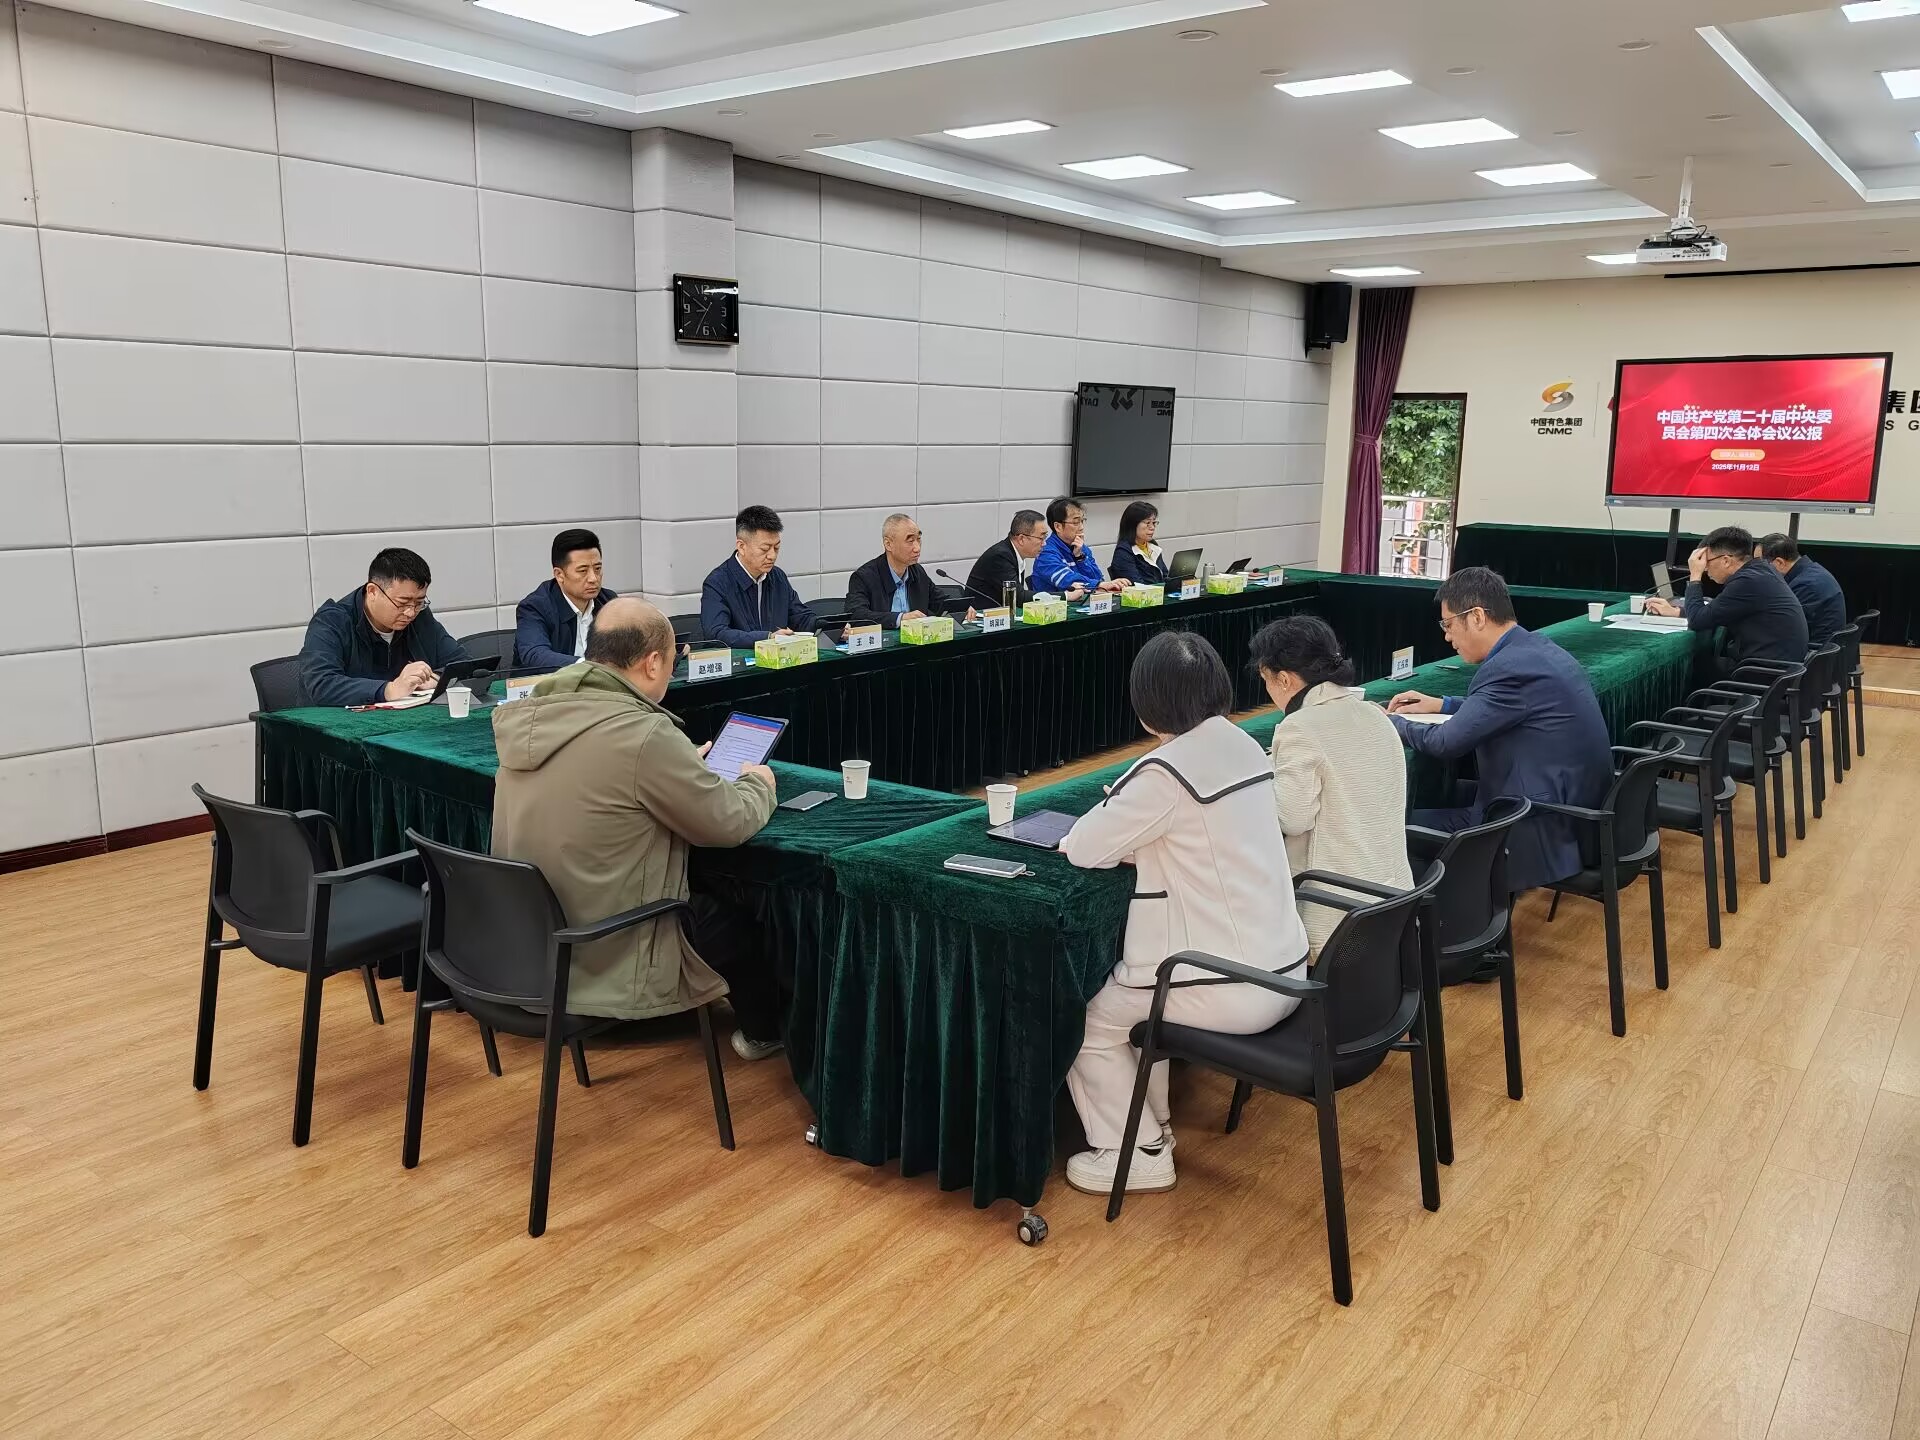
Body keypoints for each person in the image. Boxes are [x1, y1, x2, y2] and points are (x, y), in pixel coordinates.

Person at [1059, 631, 1311, 1197]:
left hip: (1232, 986)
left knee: (1090, 1020)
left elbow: (1084, 847)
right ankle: (1155, 1127)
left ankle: (1138, 1152)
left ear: (1147, 706)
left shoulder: (1166, 773)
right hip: (1287, 968)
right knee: (1134, 999)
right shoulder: (1243, 744)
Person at [490, 597, 786, 1061]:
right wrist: (758, 784)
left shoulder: (536, 714)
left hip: (531, 944)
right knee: (741, 919)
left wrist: (679, 765)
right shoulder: (644, 734)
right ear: (651, 663)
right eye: (670, 662)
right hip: (608, 950)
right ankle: (765, 1033)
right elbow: (728, 821)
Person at [1386, 567, 1614, 896]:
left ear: (1477, 616)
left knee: (1393, 828)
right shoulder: (1535, 648)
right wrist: (1443, 704)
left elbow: (1445, 742)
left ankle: (1448, 923)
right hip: (1576, 817)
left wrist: (1387, 722)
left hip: (1537, 829)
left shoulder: (1507, 667)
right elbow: (1505, 707)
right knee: (1446, 794)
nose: (1447, 637)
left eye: (1448, 625)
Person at [1252, 616, 1412, 954]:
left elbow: (1291, 819)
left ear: (1283, 679)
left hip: (1338, 913)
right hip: (1394, 901)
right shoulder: (1375, 715)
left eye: (1266, 680)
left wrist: (1263, 774)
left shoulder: (1300, 727)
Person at [297, 547, 468, 707]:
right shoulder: (331, 621)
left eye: (419, 602)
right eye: (402, 603)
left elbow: (462, 662)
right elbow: (321, 684)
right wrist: (389, 690)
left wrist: (437, 678)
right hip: (334, 723)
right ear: (372, 591)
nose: (410, 612)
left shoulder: (419, 615)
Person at [1646, 525, 1808, 675]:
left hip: (1763, 673)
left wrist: (1695, 576)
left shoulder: (1747, 582)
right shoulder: (1761, 571)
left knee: (1691, 667)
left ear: (1725, 560)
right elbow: (1716, 611)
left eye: (1706, 562)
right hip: (1781, 668)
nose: (1705, 569)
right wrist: (1677, 612)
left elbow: (1697, 621)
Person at [700, 506, 819, 648]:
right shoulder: (717, 582)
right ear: (741, 546)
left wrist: (832, 624)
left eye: (776, 548)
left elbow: (801, 618)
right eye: (765, 549)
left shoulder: (777, 576)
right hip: (740, 661)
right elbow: (716, 634)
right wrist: (767, 638)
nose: (772, 556)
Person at [844, 513, 974, 629]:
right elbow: (856, 615)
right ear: (888, 544)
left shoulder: (917, 572)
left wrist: (960, 607)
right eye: (910, 541)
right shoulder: (864, 577)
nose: (917, 548)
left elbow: (938, 602)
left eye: (919, 539)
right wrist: (900, 619)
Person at [513, 527, 617, 671]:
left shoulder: (609, 602)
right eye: (583, 571)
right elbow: (535, 655)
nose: (593, 578)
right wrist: (589, 667)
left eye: (597, 569)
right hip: (549, 684)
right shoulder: (535, 607)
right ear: (559, 575)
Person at [965, 509, 1084, 608]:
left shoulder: (1014, 553)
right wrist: (1066, 596)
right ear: (1022, 539)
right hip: (979, 621)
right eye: (1041, 538)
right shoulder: (1000, 556)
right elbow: (1019, 597)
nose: (1044, 544)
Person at [1754, 532, 1846, 646]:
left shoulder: (1806, 586)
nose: (1755, 570)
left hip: (1814, 651)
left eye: (1758, 564)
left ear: (1779, 563)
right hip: (1822, 648)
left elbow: (1778, 629)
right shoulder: (1811, 571)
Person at [1033, 497, 1125, 595]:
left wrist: (1080, 558)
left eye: (1082, 521)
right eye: (1076, 522)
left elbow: (1098, 578)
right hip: (1054, 604)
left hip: (1083, 602)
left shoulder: (1081, 548)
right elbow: (1069, 582)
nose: (1081, 527)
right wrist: (1099, 585)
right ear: (1058, 526)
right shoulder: (1045, 552)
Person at [1108, 500, 1171, 586]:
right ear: (1133, 524)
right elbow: (1137, 585)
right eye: (1148, 523)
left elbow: (1165, 576)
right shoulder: (1123, 552)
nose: (1152, 527)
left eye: (1154, 523)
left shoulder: (1153, 546)